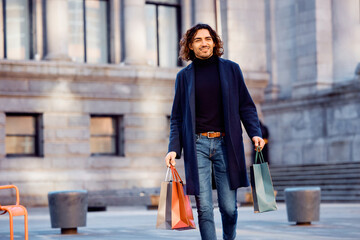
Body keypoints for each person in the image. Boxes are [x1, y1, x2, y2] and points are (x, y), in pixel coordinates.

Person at [164, 23, 265, 240]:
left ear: (214, 42)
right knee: (205, 209)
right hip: (197, 145)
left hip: (226, 146)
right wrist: (173, 148)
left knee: (229, 208)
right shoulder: (184, 77)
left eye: (208, 39)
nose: (204, 43)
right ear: (190, 45)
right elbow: (177, 116)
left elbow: (246, 105)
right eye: (198, 40)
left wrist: (254, 132)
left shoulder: (231, 69)